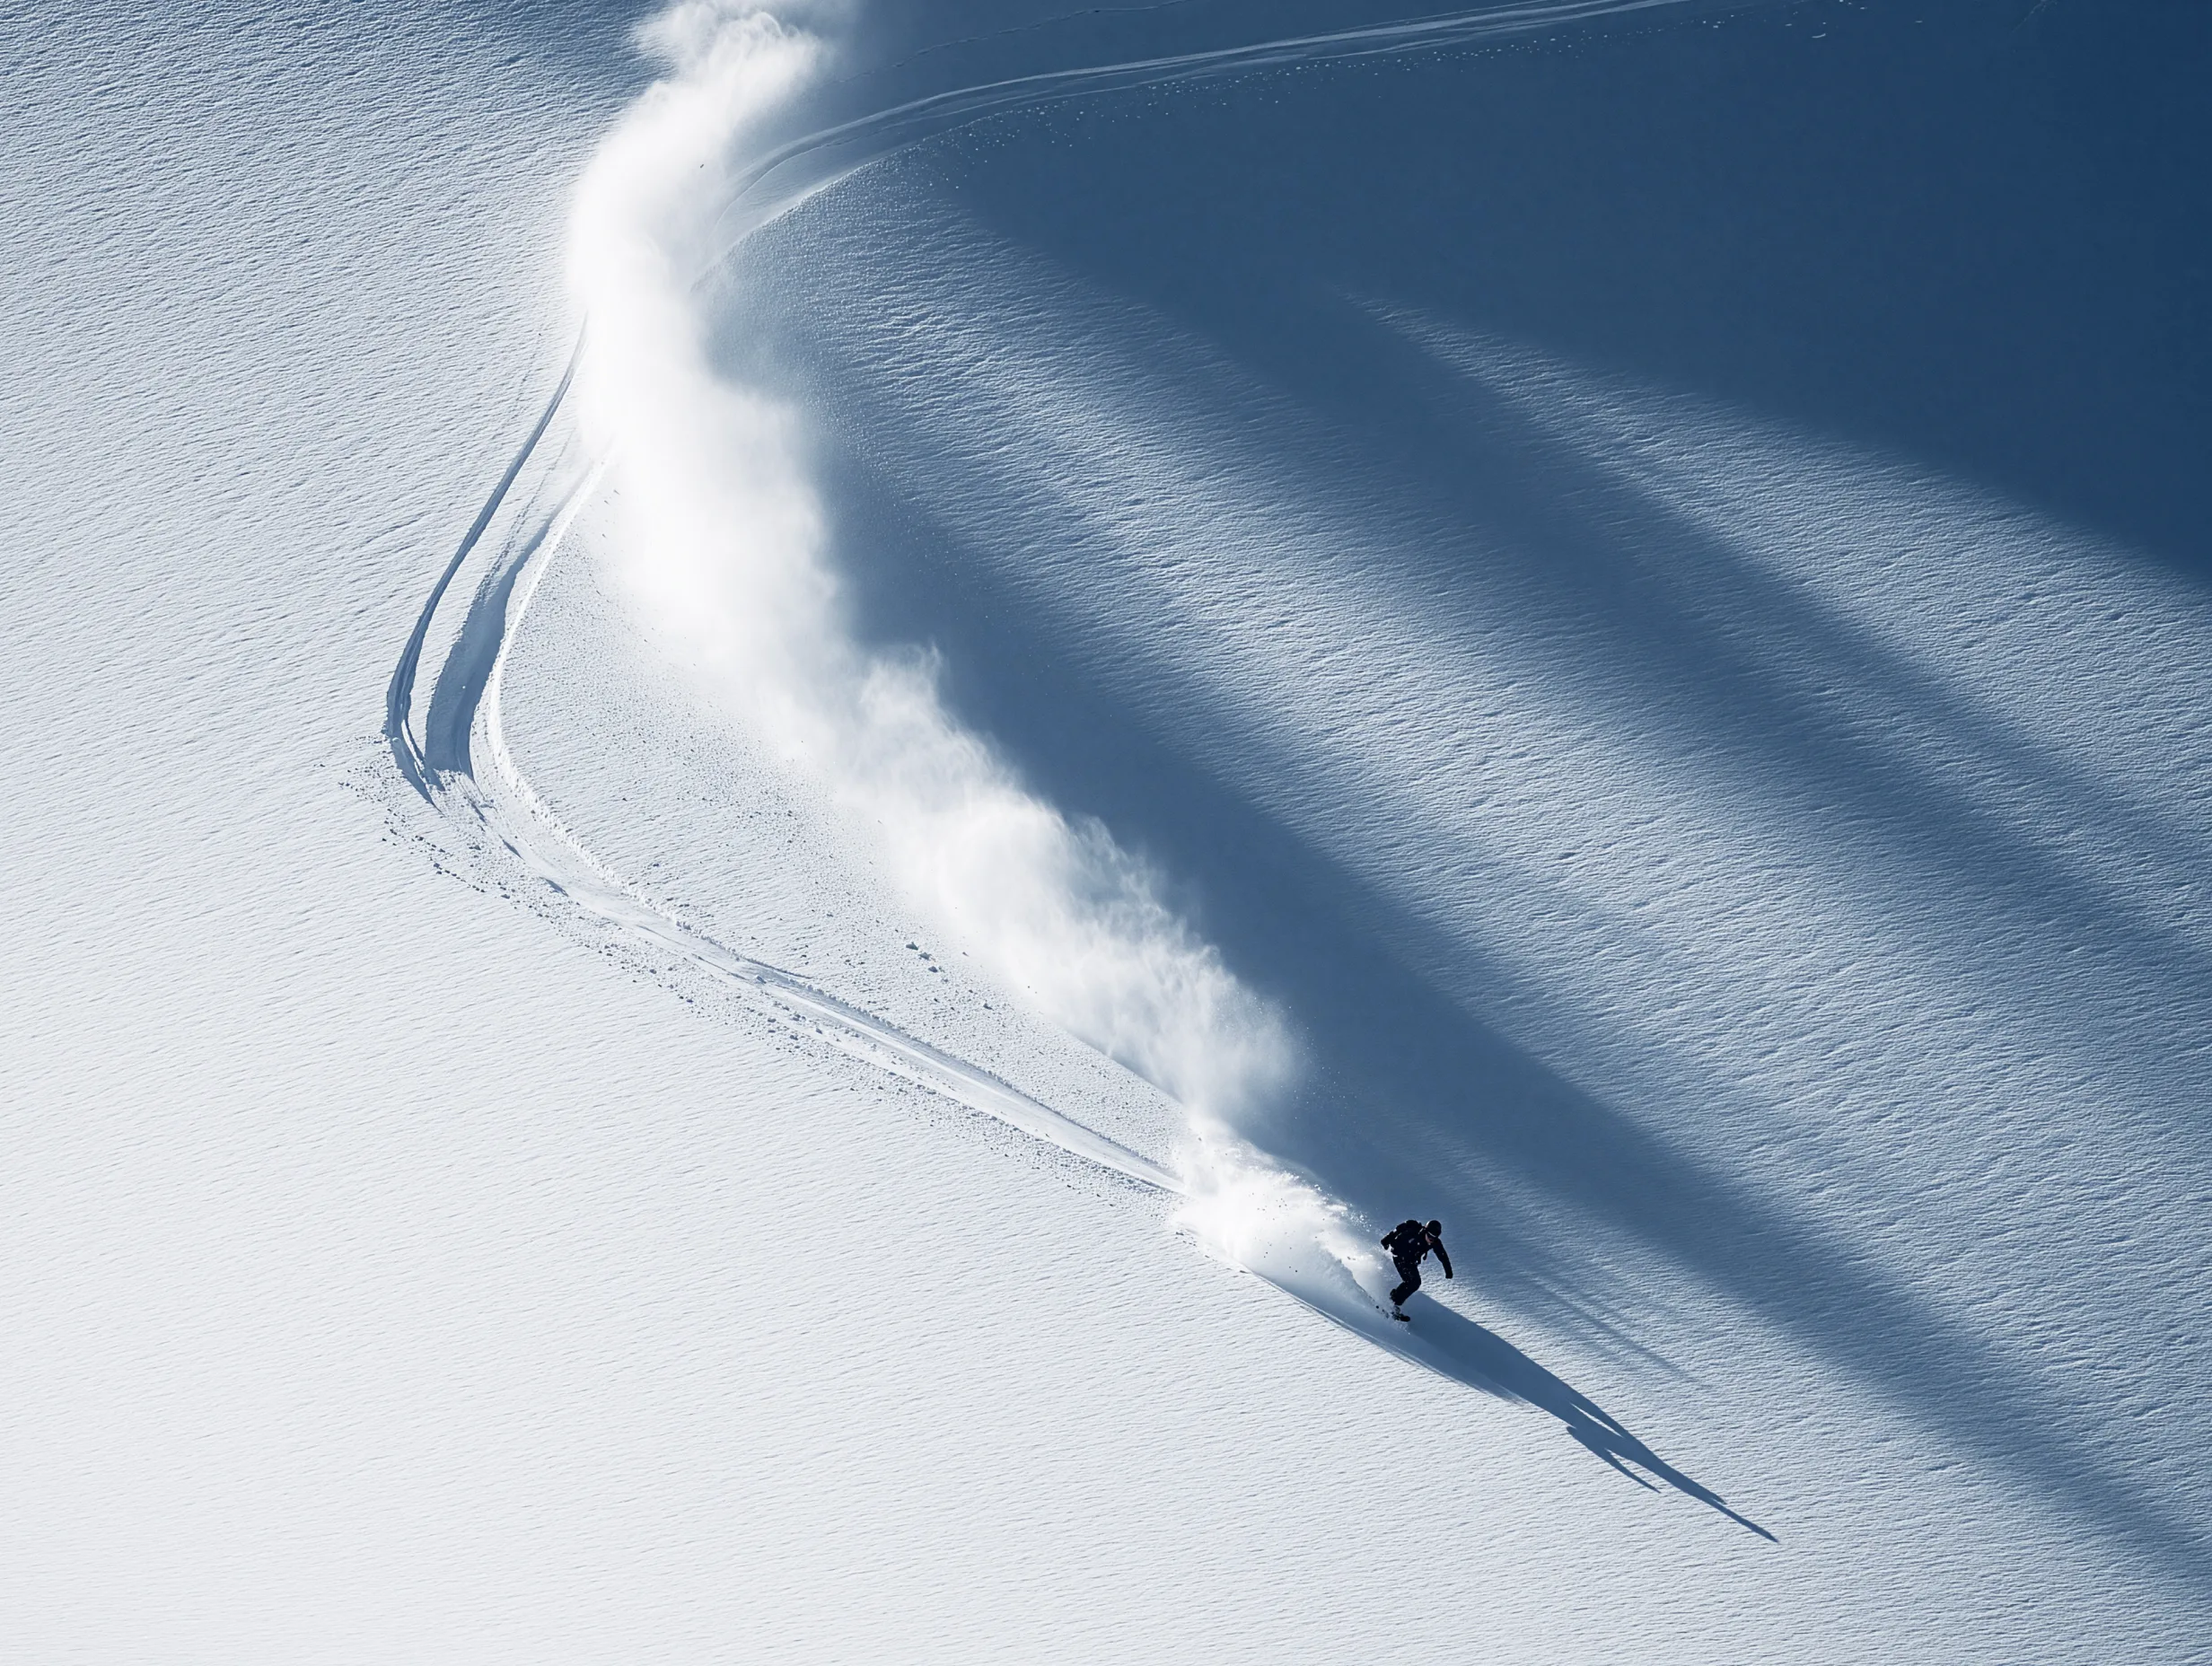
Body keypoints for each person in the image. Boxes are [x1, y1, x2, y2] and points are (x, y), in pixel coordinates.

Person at [1381, 1218, 1452, 1320]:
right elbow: (1398, 1230)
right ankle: (1392, 1303)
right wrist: (1387, 1239)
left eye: (1434, 1238)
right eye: (1430, 1236)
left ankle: (1393, 1302)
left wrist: (1448, 1271)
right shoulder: (1413, 1230)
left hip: (1410, 1262)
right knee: (1412, 1281)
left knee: (1415, 1283)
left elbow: (1443, 1255)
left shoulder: (1434, 1242)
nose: (1431, 1240)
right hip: (1399, 1256)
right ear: (1425, 1231)